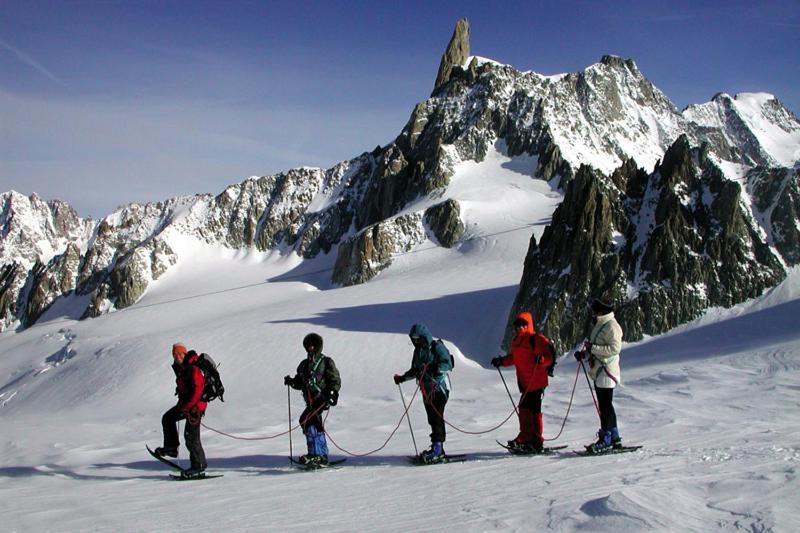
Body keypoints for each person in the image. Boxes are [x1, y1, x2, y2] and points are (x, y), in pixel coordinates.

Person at [491, 312, 556, 453]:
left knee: (532, 410)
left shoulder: (536, 340)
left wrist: (542, 360)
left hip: (536, 382)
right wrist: (501, 362)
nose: (520, 327)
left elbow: (549, 357)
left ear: (529, 325)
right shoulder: (517, 342)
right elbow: (514, 358)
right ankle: (529, 437)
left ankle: (534, 439)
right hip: (526, 383)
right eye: (518, 325)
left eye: (523, 325)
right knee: (526, 409)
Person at [393, 323, 454, 463]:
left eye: (418, 338)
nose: (416, 341)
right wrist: (402, 378)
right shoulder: (418, 352)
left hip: (440, 388)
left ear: (424, 337)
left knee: (436, 416)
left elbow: (447, 363)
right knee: (432, 418)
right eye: (413, 339)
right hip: (426, 390)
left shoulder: (436, 347)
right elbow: (415, 370)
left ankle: (438, 449)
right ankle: (437, 447)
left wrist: (436, 369)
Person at [284, 333, 341, 466]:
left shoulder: (326, 362)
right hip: (310, 400)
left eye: (313, 345)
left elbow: (335, 380)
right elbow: (300, 382)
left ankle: (318, 454)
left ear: (318, 346)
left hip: (322, 398)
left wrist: (332, 392)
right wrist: (291, 381)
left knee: (309, 421)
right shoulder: (303, 365)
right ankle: (318, 453)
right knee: (309, 422)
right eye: (308, 345)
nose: (311, 348)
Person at [575, 298, 624, 453]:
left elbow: (615, 348)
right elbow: (595, 345)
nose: (593, 313)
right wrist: (584, 353)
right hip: (600, 370)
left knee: (605, 405)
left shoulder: (612, 326)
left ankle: (607, 438)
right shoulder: (601, 324)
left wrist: (593, 349)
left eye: (595, 311)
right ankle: (614, 436)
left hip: (606, 370)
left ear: (601, 311)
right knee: (606, 404)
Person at [154, 343, 208, 477]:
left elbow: (198, 390)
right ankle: (171, 448)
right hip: (186, 406)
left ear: (184, 354)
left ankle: (198, 465)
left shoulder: (192, 368)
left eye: (179, 354)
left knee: (191, 436)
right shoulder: (182, 368)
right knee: (168, 418)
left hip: (195, 408)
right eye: (174, 354)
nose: (177, 357)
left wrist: (189, 406)